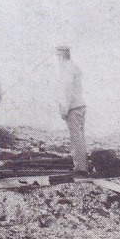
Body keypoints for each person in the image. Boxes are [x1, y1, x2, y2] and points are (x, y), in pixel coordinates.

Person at [54, 45, 89, 174]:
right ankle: (83, 165)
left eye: (58, 56)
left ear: (62, 56)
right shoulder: (74, 67)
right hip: (79, 105)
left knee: (76, 138)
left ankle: (80, 168)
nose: (57, 58)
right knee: (80, 137)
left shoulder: (67, 69)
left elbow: (68, 91)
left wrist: (64, 109)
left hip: (73, 107)